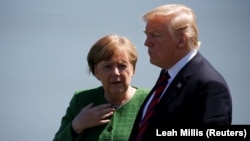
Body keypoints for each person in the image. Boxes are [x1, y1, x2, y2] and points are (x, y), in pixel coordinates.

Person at [129, 4, 232, 141]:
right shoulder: (168, 75)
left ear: (181, 40)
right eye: (147, 35)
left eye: (155, 36)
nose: (147, 43)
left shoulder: (209, 86)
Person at [53, 34, 149, 141]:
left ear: (133, 70)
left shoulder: (151, 100)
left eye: (122, 66)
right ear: (96, 71)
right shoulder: (81, 100)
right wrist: (76, 126)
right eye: (108, 66)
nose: (116, 73)